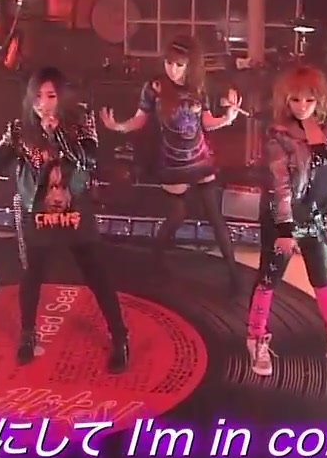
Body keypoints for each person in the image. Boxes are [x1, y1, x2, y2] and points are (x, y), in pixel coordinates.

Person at [0, 67, 129, 374]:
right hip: (36, 210)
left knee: (95, 272)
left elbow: (89, 159)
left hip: (75, 206)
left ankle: (120, 336)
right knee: (32, 273)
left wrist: (58, 135)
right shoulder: (19, 128)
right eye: (38, 97)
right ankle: (28, 334)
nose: (43, 103)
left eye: (51, 96)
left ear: (61, 97)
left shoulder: (80, 120)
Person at [246, 65, 327, 377]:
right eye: (295, 100)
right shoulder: (279, 134)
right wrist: (285, 228)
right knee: (269, 278)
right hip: (283, 216)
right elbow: (281, 186)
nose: (301, 106)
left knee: (324, 279)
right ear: (285, 100)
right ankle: (256, 338)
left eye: (308, 100)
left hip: (319, 216)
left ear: (320, 99)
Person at [99, 36, 243, 293]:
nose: (172, 69)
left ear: (190, 65)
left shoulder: (198, 87)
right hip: (173, 162)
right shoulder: (154, 87)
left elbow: (206, 122)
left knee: (215, 216)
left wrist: (227, 119)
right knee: (177, 215)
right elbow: (139, 120)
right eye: (168, 62)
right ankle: (155, 262)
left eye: (179, 65)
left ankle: (234, 275)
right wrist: (117, 126)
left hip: (199, 158)